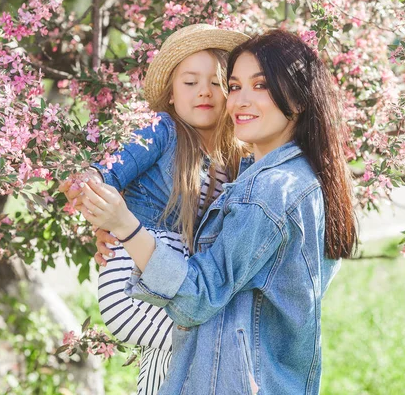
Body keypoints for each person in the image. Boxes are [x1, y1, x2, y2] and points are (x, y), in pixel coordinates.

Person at [75, 29, 358, 394]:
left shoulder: (265, 190)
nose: (240, 99)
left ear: (298, 98)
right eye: (236, 86)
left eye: (260, 85)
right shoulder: (301, 176)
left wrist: (126, 227)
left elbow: (196, 298)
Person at [58, 24, 249, 395]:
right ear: (172, 94)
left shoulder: (237, 154)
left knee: (173, 366)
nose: (205, 92)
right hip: (134, 281)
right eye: (190, 82)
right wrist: (101, 214)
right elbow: (104, 174)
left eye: (217, 82)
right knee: (211, 345)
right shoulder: (162, 129)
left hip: (177, 281)